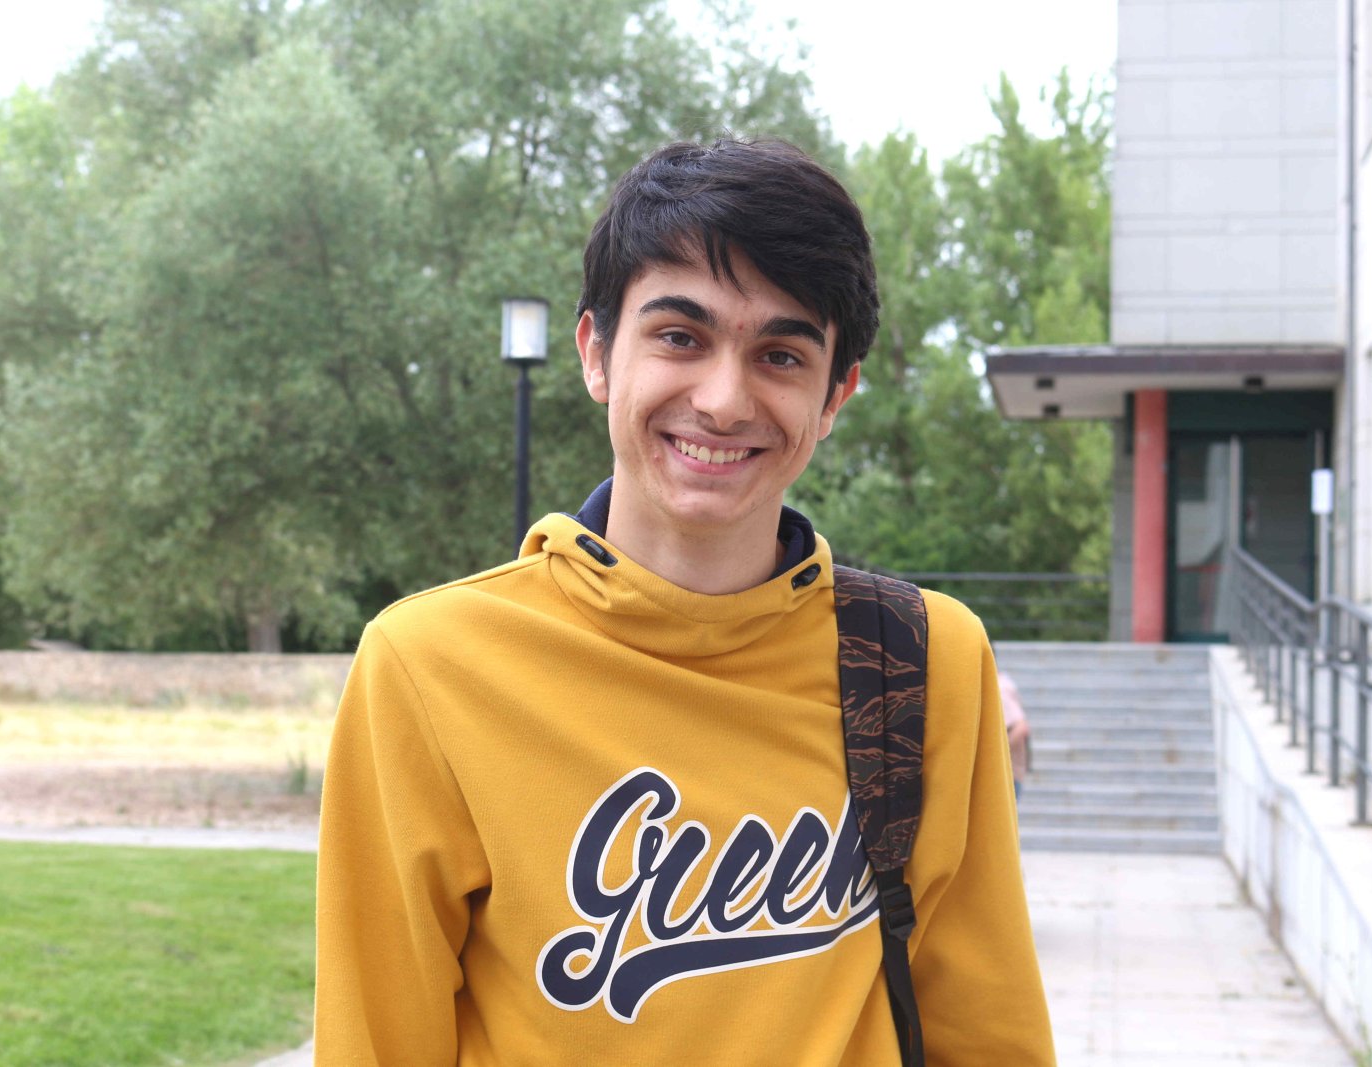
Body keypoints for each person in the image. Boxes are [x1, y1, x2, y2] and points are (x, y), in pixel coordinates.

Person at [314, 139, 1055, 1065]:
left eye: (780, 354)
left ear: (835, 395)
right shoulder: (431, 665)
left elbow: (989, 1038)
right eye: (680, 337)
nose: (724, 399)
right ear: (596, 353)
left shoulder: (922, 658)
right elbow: (377, 1042)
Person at [998, 670, 1032, 802]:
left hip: (1007, 775)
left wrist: (997, 751)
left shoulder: (1001, 688)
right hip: (1009, 774)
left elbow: (1021, 728)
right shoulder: (1003, 683)